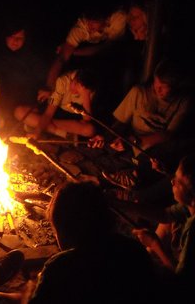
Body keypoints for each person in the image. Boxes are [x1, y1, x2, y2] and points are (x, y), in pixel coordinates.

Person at [24, 182, 156, 303]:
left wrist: (31, 290)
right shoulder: (133, 249)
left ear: (65, 232)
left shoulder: (60, 268)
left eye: (55, 230)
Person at [89, 60, 191, 191]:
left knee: (165, 154)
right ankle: (130, 171)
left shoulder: (183, 101)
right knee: (101, 150)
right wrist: (105, 136)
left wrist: (135, 140)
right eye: (156, 83)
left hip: (156, 146)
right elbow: (119, 122)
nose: (157, 89)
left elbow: (168, 135)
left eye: (164, 87)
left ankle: (133, 176)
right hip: (132, 140)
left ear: (176, 86)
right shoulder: (139, 92)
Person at [113, 154, 195, 300]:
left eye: (177, 181)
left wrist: (154, 244)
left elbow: (181, 282)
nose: (171, 181)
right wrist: (118, 203)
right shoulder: (188, 206)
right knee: (169, 222)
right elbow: (164, 215)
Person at [46, 5, 127, 89]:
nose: (89, 25)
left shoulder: (119, 18)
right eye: (88, 20)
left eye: (94, 21)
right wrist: (48, 86)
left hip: (119, 47)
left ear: (105, 19)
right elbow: (62, 58)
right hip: (94, 46)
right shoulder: (80, 29)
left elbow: (108, 47)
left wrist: (74, 51)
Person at [0, 22, 45, 126]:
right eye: (12, 37)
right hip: (3, 104)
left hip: (26, 104)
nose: (15, 41)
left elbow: (41, 82)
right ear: (5, 37)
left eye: (20, 38)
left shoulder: (32, 58)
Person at [14, 69, 98, 139]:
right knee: (19, 112)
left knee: (90, 130)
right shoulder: (63, 82)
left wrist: (85, 95)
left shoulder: (89, 90)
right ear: (74, 78)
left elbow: (87, 119)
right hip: (56, 108)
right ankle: (62, 133)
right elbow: (48, 113)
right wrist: (37, 132)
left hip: (71, 119)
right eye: (75, 84)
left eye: (79, 89)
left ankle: (37, 124)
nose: (74, 89)